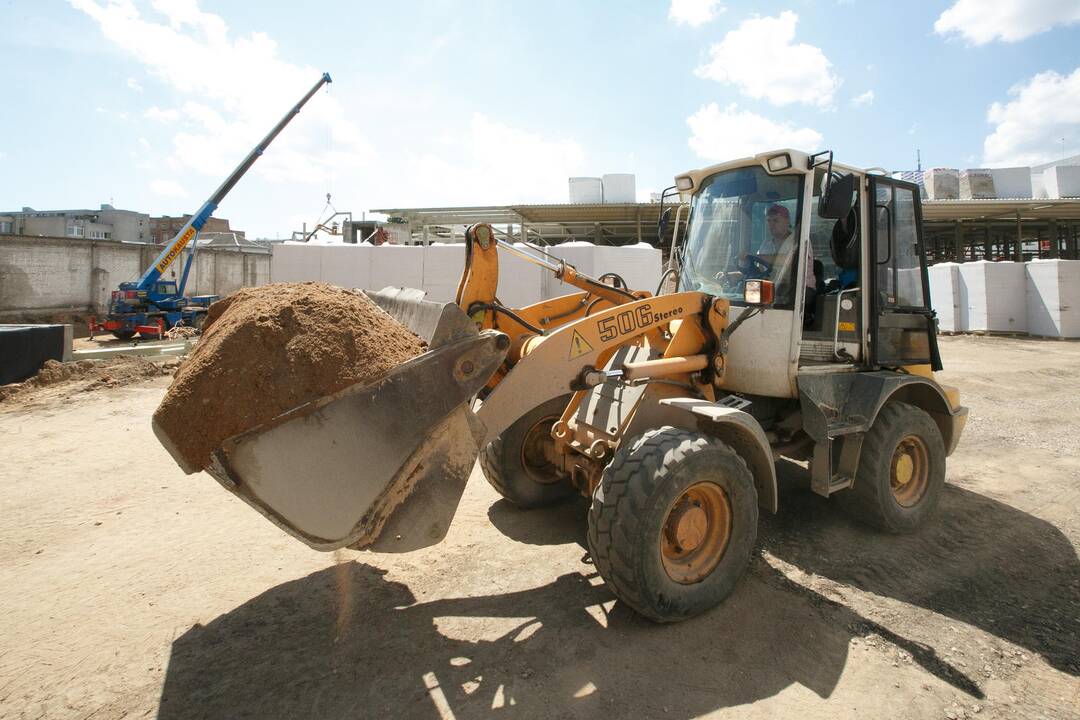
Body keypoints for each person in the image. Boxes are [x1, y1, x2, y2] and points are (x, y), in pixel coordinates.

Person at [756, 204, 815, 303]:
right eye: (769, 221)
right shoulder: (766, 244)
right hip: (773, 287)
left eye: (775, 220)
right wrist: (736, 275)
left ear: (787, 221)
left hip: (800, 290)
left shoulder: (799, 240)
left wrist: (758, 257)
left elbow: (788, 261)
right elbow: (759, 269)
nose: (771, 224)